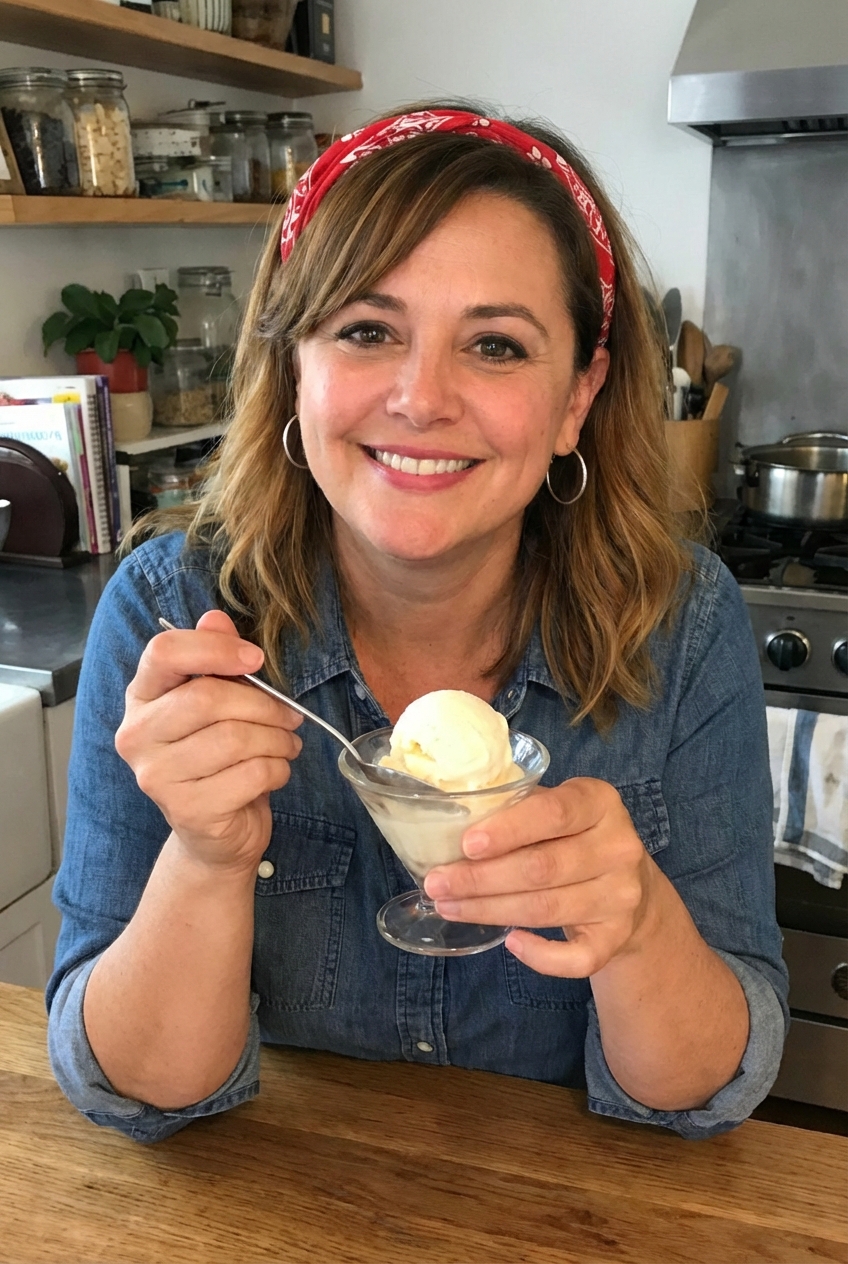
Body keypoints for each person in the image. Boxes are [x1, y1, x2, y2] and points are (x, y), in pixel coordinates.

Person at [47, 105, 788, 1144]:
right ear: (293, 366)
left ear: (577, 398)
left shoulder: (682, 621)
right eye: (367, 331)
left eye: (494, 345)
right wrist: (208, 861)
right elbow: (135, 1088)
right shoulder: (176, 619)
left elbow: (703, 1087)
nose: (420, 397)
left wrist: (637, 925)